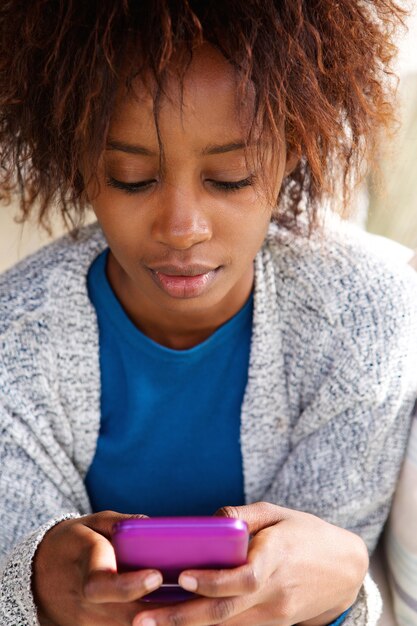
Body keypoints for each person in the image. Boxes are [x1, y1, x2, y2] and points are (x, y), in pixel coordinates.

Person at [0, 2, 416, 626]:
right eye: (132, 177)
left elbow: (333, 582)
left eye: (231, 176)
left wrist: (338, 588)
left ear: (292, 153)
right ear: (80, 163)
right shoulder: (14, 341)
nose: (182, 229)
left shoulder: (365, 315)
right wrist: (32, 589)